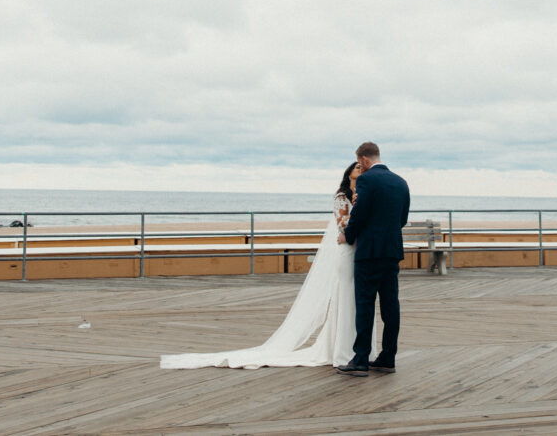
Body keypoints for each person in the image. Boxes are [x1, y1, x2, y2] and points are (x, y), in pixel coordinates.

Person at [159, 162, 376, 369]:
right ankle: (342, 349)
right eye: (357, 167)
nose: (360, 170)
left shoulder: (363, 194)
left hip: (360, 252)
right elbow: (343, 226)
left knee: (356, 301)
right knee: (345, 297)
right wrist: (356, 210)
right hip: (347, 253)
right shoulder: (342, 197)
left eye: (361, 167)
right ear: (349, 173)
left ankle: (354, 347)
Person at [335, 141, 410, 377]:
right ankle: (388, 358)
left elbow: (358, 215)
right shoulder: (401, 182)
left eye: (360, 163)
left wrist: (348, 235)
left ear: (364, 160)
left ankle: (360, 359)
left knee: (365, 305)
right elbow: (402, 219)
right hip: (392, 251)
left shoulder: (367, 180)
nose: (360, 168)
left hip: (369, 252)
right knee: (390, 306)